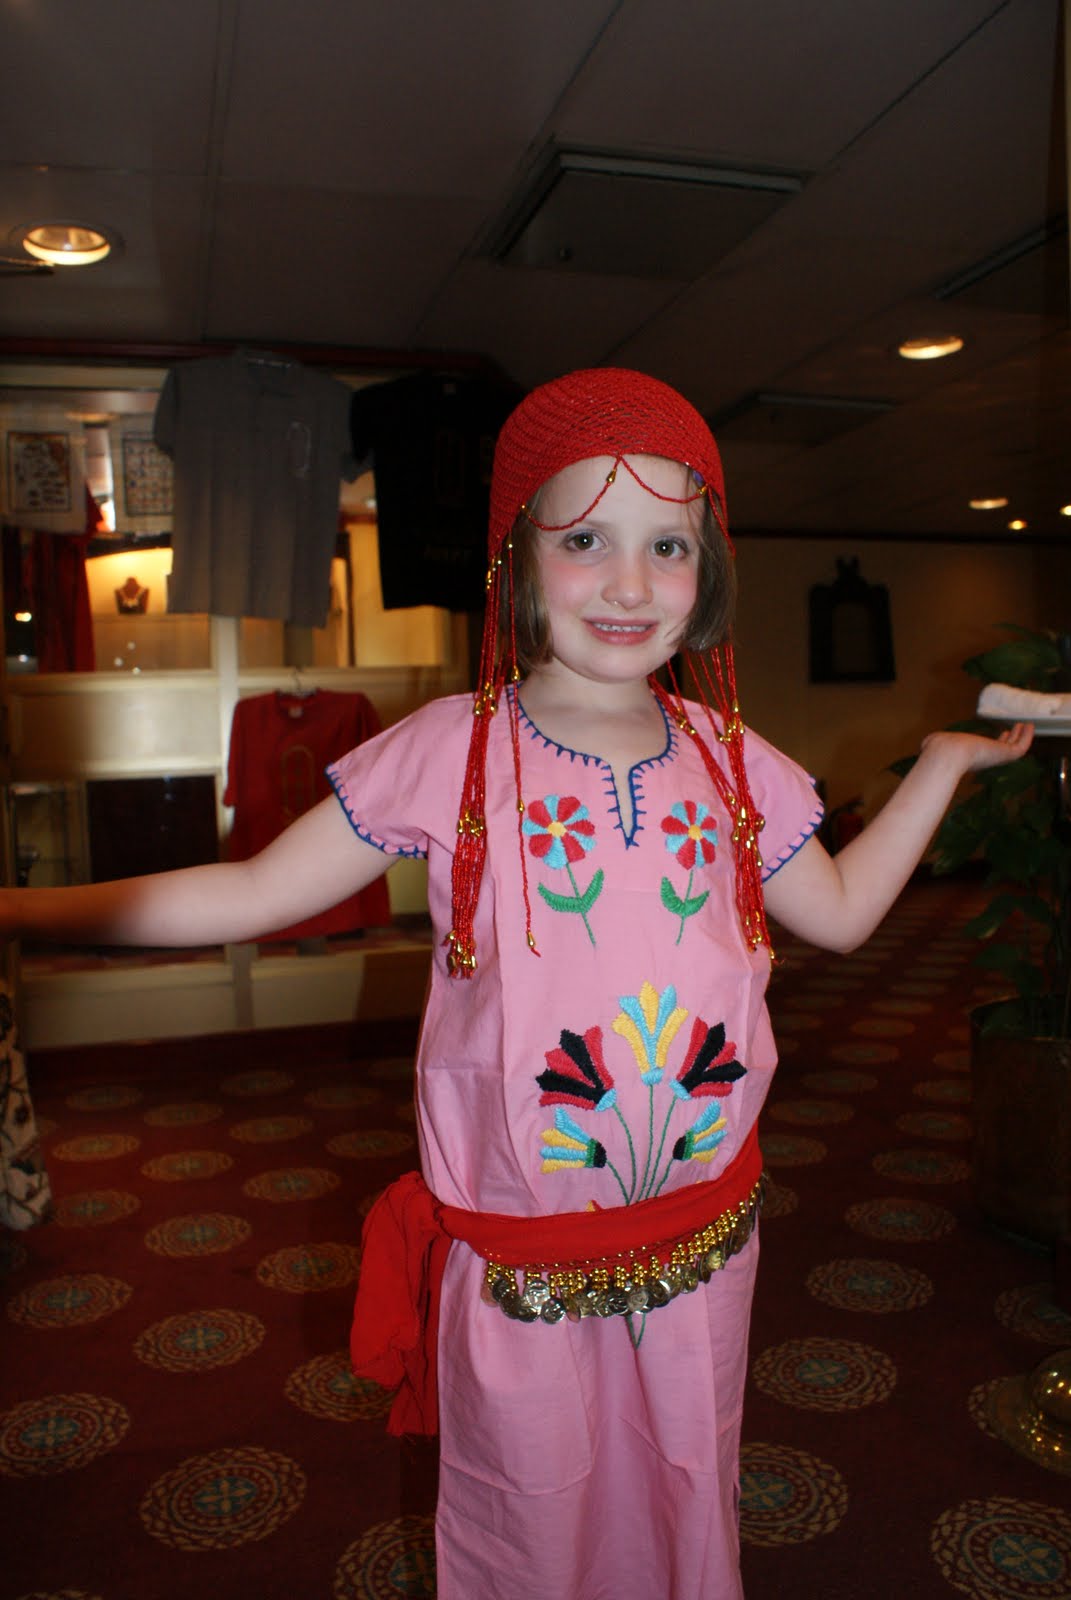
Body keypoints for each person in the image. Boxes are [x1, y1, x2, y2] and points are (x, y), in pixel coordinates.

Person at [2, 369, 1032, 1600]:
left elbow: (847, 913)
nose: (632, 582)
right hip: (521, 1260)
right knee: (530, 1504)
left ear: (708, 569)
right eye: (586, 539)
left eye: (669, 545)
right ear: (513, 557)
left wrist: (943, 767)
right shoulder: (454, 748)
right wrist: (21, 907)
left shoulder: (732, 757)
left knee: (688, 1475)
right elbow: (249, 893)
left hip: (703, 1243)